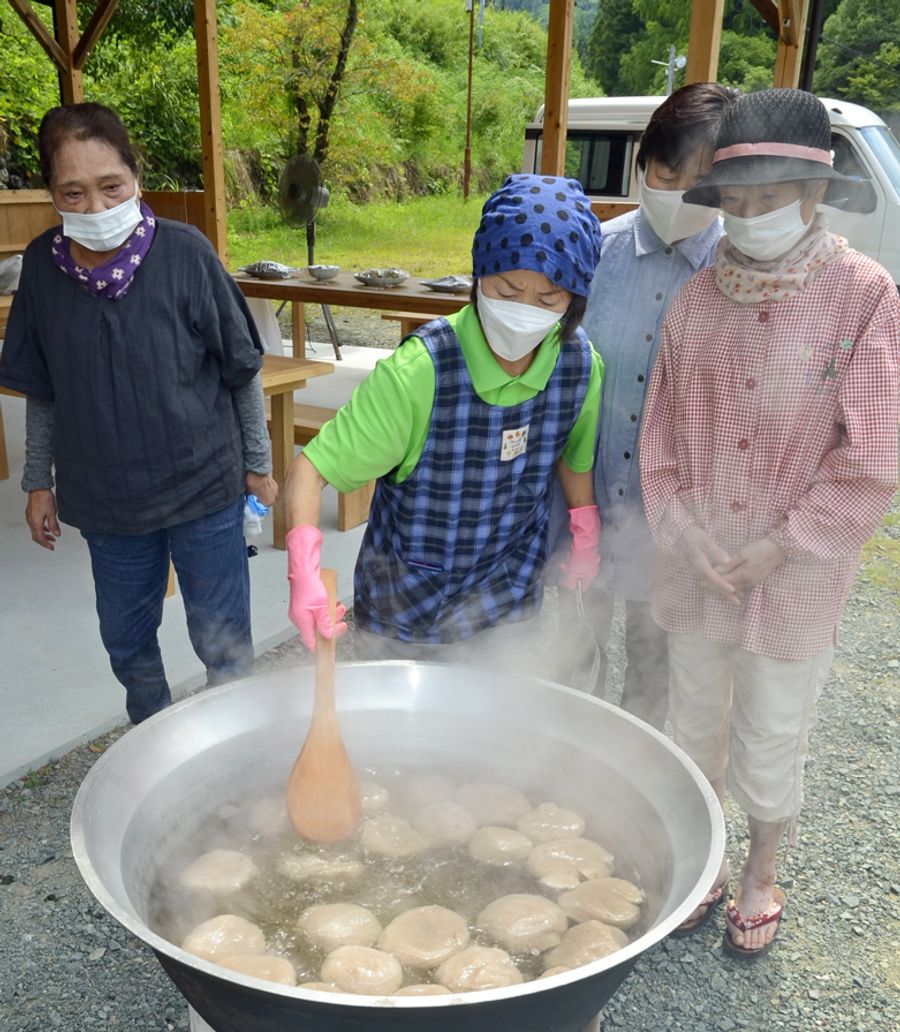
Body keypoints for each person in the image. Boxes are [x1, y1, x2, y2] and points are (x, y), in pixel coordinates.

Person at [639, 88, 900, 955]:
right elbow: (661, 440)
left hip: (795, 575)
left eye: (769, 200)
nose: (749, 219)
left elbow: (873, 456)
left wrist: (782, 542)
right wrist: (681, 526)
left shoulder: (863, 298)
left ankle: (759, 869)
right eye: (736, 202)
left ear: (815, 198)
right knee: (694, 718)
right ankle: (705, 864)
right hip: (697, 564)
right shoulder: (696, 304)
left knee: (772, 727)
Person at [0, 103, 276, 724]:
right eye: (74, 192)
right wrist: (37, 481)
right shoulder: (42, 267)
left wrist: (257, 467)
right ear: (52, 194)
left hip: (204, 485)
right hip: (106, 499)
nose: (95, 208)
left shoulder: (186, 254)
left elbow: (241, 368)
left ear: (136, 176)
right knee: (126, 640)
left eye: (110, 186)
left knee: (222, 638)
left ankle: (237, 743)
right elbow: (42, 385)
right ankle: (151, 739)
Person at [282, 174, 604, 663]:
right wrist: (303, 574)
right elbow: (311, 471)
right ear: (479, 274)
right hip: (405, 609)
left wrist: (586, 532)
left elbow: (573, 459)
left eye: (548, 300)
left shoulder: (580, 366)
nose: (523, 312)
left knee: (490, 731)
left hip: (506, 599)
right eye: (508, 288)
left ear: (575, 301)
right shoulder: (419, 373)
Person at [553, 82, 736, 722]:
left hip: (677, 527)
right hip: (584, 504)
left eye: (703, 179)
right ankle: (564, 772)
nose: (681, 192)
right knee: (573, 659)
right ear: (642, 164)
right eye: (667, 170)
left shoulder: (735, 275)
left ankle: (630, 793)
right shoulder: (594, 256)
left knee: (652, 679)